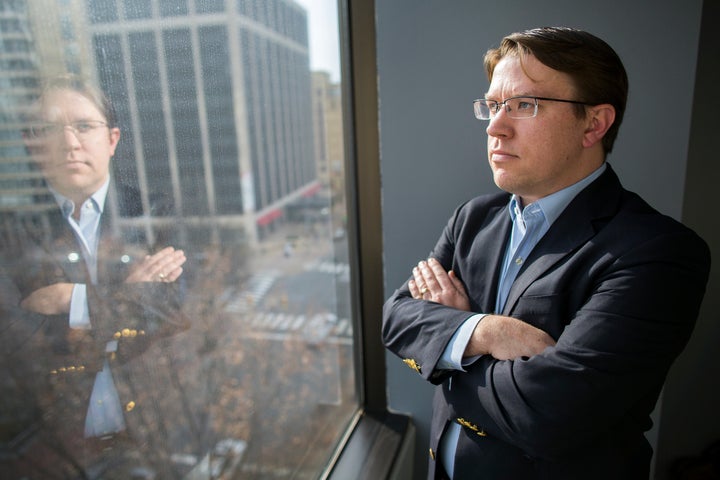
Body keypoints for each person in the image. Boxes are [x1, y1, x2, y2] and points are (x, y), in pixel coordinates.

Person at [382, 27, 711, 479]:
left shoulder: (658, 252)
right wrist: (484, 331)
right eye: (494, 106)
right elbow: (396, 317)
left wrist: (447, 347)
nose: (496, 126)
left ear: (594, 124)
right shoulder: (473, 219)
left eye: (523, 105)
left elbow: (547, 414)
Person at [0, 76, 190, 478]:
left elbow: (176, 312)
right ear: (31, 143)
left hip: (149, 432)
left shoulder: (154, 213)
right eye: (50, 130)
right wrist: (129, 296)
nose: (69, 143)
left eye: (84, 126)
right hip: (48, 445)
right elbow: (16, 340)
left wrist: (74, 300)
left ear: (112, 139)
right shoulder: (8, 234)